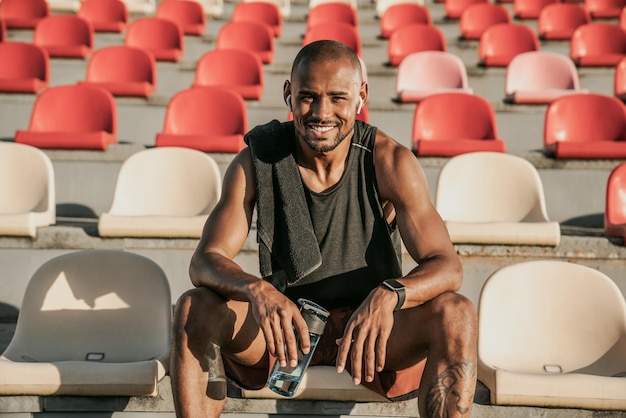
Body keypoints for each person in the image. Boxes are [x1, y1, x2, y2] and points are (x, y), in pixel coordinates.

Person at [170, 40, 478, 418]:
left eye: (337, 98)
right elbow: (205, 260)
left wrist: (390, 294)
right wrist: (257, 290)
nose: (321, 112)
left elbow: (447, 265)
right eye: (308, 97)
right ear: (288, 93)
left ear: (361, 97)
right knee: (193, 307)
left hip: (371, 331)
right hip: (286, 328)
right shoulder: (257, 158)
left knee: (457, 313)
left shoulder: (390, 161)